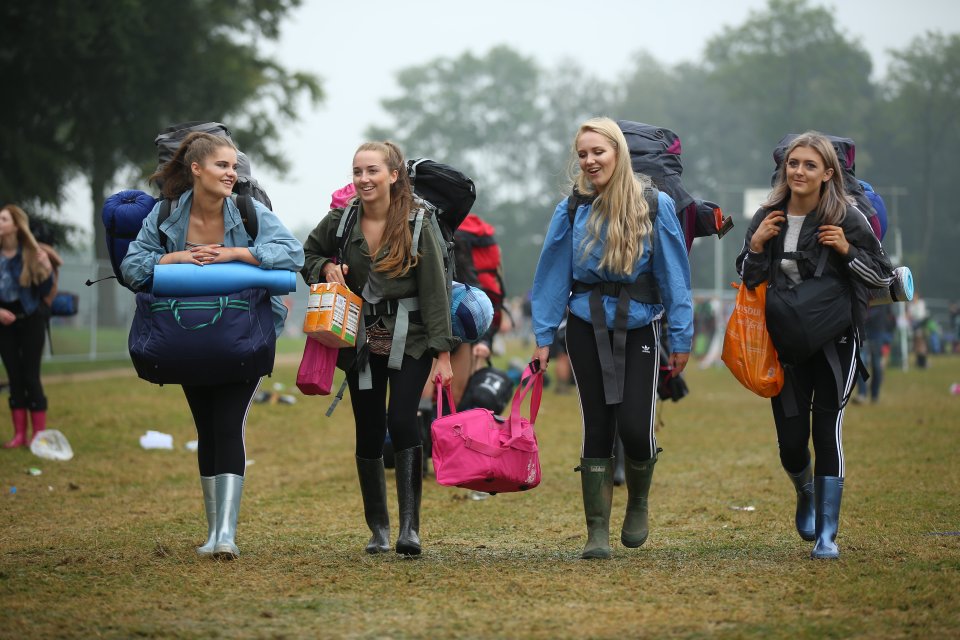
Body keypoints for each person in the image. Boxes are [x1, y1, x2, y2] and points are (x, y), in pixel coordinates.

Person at [121, 132, 304, 560]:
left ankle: (226, 534)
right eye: (222, 165)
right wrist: (174, 258)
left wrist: (235, 254)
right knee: (205, 428)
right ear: (197, 169)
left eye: (234, 167)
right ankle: (212, 532)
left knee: (227, 424)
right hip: (187, 339)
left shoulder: (246, 210)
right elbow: (132, 265)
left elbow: (291, 252)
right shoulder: (165, 214)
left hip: (244, 335)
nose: (232, 173)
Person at [530, 117, 693, 560]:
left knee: (637, 428)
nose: (589, 160)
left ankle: (638, 502)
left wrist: (681, 336)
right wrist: (544, 337)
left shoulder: (654, 205)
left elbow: (675, 276)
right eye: (582, 154)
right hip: (584, 326)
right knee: (598, 425)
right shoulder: (571, 209)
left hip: (640, 325)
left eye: (597, 151)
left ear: (618, 153)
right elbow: (550, 276)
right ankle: (596, 531)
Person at [736, 131, 893, 560]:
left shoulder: (848, 217)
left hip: (835, 342)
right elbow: (750, 278)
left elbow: (884, 279)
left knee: (826, 431)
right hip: (784, 345)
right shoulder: (768, 215)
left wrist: (845, 250)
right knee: (790, 442)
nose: (799, 171)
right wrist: (755, 246)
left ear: (828, 173)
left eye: (809, 165)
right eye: (793, 163)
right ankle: (805, 491)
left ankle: (827, 534)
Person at [302, 141, 456, 556]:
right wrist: (326, 267)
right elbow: (309, 253)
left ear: (393, 175)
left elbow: (436, 292)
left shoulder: (419, 222)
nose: (364, 179)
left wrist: (443, 354)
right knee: (368, 429)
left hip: (413, 338)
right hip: (360, 341)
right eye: (357, 171)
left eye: (372, 171)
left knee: (402, 419)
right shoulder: (342, 220)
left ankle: (410, 529)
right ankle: (379, 530)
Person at [0, 204, 55, 448]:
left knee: (31, 377)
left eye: (3, 219)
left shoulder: (31, 253)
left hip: (30, 320)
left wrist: (47, 270)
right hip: (4, 324)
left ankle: (38, 436)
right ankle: (19, 435)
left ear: (15, 225)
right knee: (14, 377)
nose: (0, 224)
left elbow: (44, 292)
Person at [854, 305, 895, 404]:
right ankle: (862, 394)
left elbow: (890, 317)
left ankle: (875, 395)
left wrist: (888, 337)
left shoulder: (883, 294)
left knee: (876, 366)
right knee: (861, 363)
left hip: (877, 333)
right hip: (862, 331)